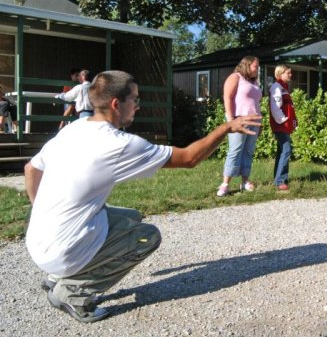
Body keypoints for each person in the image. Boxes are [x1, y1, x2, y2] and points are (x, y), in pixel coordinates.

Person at [24, 70, 261, 323]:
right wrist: (226, 127)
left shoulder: (74, 129)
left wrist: (42, 213)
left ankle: (57, 276)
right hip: (61, 252)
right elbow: (190, 158)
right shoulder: (119, 144)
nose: (137, 106)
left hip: (37, 241)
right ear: (116, 104)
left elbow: (31, 168)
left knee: (132, 217)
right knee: (147, 237)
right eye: (134, 100)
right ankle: (72, 292)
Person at [216, 56, 263, 197]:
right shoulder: (235, 77)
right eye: (255, 66)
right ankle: (225, 184)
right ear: (247, 65)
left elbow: (255, 103)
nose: (258, 69)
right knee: (235, 151)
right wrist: (231, 120)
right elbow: (227, 97)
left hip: (254, 120)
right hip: (238, 120)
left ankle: (245, 181)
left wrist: (260, 123)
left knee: (248, 151)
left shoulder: (254, 82)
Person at [269, 65, 297, 191]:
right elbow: (275, 108)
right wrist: (284, 121)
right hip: (280, 125)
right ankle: (281, 180)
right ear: (280, 74)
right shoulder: (276, 87)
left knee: (281, 151)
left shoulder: (284, 88)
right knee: (286, 150)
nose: (290, 75)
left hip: (285, 125)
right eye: (288, 73)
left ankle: (278, 179)